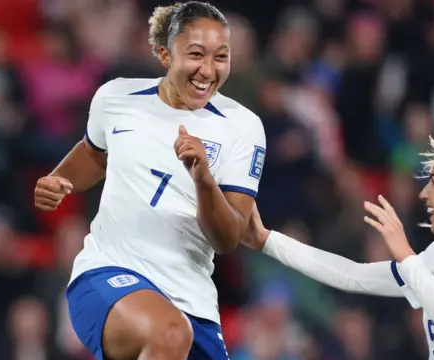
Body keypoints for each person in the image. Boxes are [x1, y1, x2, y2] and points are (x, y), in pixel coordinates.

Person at [33, 2, 266, 360]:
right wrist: (58, 179)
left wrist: (203, 180)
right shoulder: (116, 97)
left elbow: (227, 238)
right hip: (108, 276)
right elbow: (95, 153)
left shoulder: (243, 127)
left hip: (191, 303)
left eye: (221, 57)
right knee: (170, 334)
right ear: (164, 54)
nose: (208, 70)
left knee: (174, 331)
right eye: (195, 55)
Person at [242, 130, 434, 360]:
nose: (423, 194)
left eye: (433, 182)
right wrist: (267, 240)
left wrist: (407, 256)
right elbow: (351, 275)